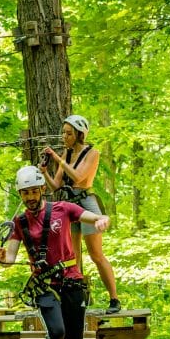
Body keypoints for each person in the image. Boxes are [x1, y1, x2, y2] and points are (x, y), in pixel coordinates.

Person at [0, 165, 111, 339]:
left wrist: (101, 219)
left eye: (34, 192)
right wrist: (2, 258)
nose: (30, 198)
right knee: (56, 331)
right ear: (21, 195)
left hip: (72, 281)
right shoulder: (20, 222)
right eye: (25, 194)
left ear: (42, 190)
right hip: (44, 285)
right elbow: (11, 257)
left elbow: (87, 216)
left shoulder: (62, 209)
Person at [40, 114, 121, 314]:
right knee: (73, 258)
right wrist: (44, 173)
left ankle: (114, 299)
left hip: (86, 204)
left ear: (79, 134)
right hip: (70, 207)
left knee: (95, 254)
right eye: (64, 133)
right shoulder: (66, 154)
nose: (64, 137)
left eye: (69, 133)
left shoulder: (92, 153)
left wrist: (58, 158)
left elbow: (79, 177)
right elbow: (56, 186)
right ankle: (77, 300)